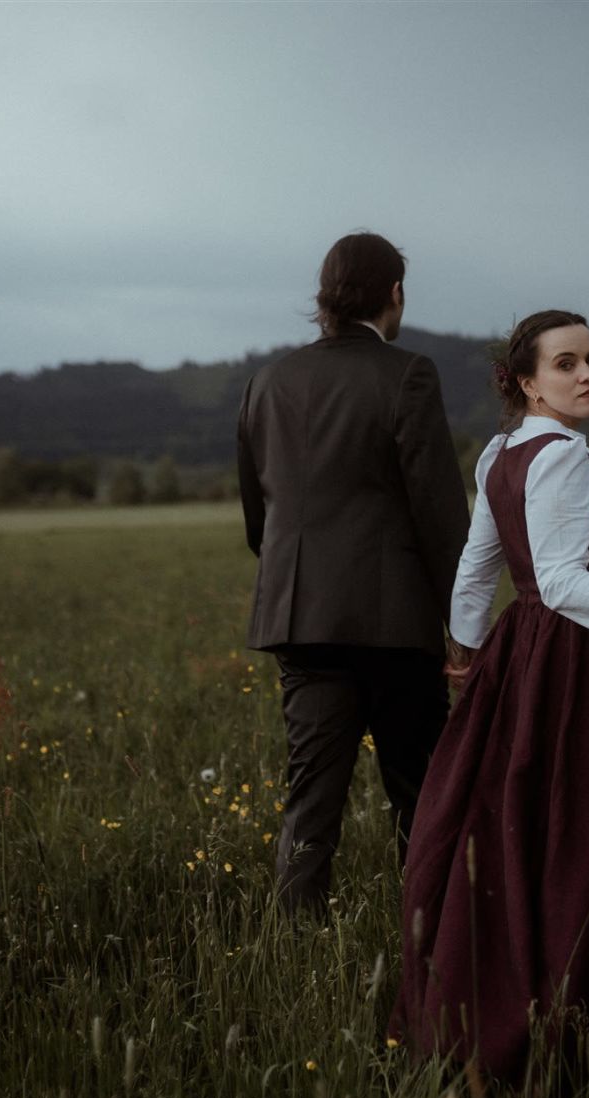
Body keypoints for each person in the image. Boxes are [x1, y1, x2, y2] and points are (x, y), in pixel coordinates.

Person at [389, 309, 589, 1083]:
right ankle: (564, 1010)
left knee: (524, 816)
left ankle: (516, 984)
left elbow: (479, 570)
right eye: (567, 363)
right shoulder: (562, 458)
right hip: (578, 660)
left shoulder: (501, 453)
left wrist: (470, 654)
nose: (587, 375)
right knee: (577, 823)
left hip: (524, 654)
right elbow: (563, 580)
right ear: (526, 381)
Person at [237, 232, 471, 919]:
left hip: (300, 619)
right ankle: (430, 942)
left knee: (310, 799)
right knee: (421, 793)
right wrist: (463, 621)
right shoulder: (408, 374)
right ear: (395, 293)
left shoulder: (266, 381)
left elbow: (261, 520)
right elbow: (439, 511)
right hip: (396, 623)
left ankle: (297, 948)